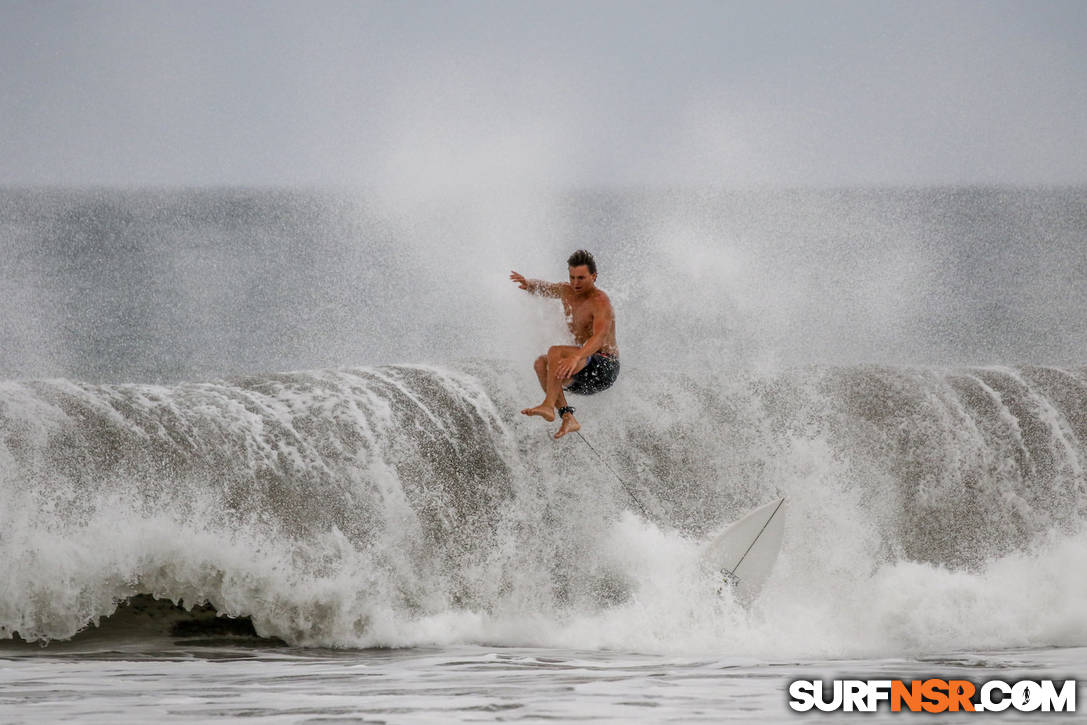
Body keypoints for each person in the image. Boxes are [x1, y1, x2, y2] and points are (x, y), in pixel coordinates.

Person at [510, 249, 620, 439]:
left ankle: (547, 405)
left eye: (581, 278)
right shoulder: (566, 291)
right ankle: (567, 416)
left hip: (605, 368)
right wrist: (528, 284)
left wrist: (577, 356)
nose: (575, 283)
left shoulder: (601, 303)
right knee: (541, 364)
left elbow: (599, 338)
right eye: (572, 277)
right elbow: (546, 287)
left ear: (594, 276)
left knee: (556, 351)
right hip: (584, 373)